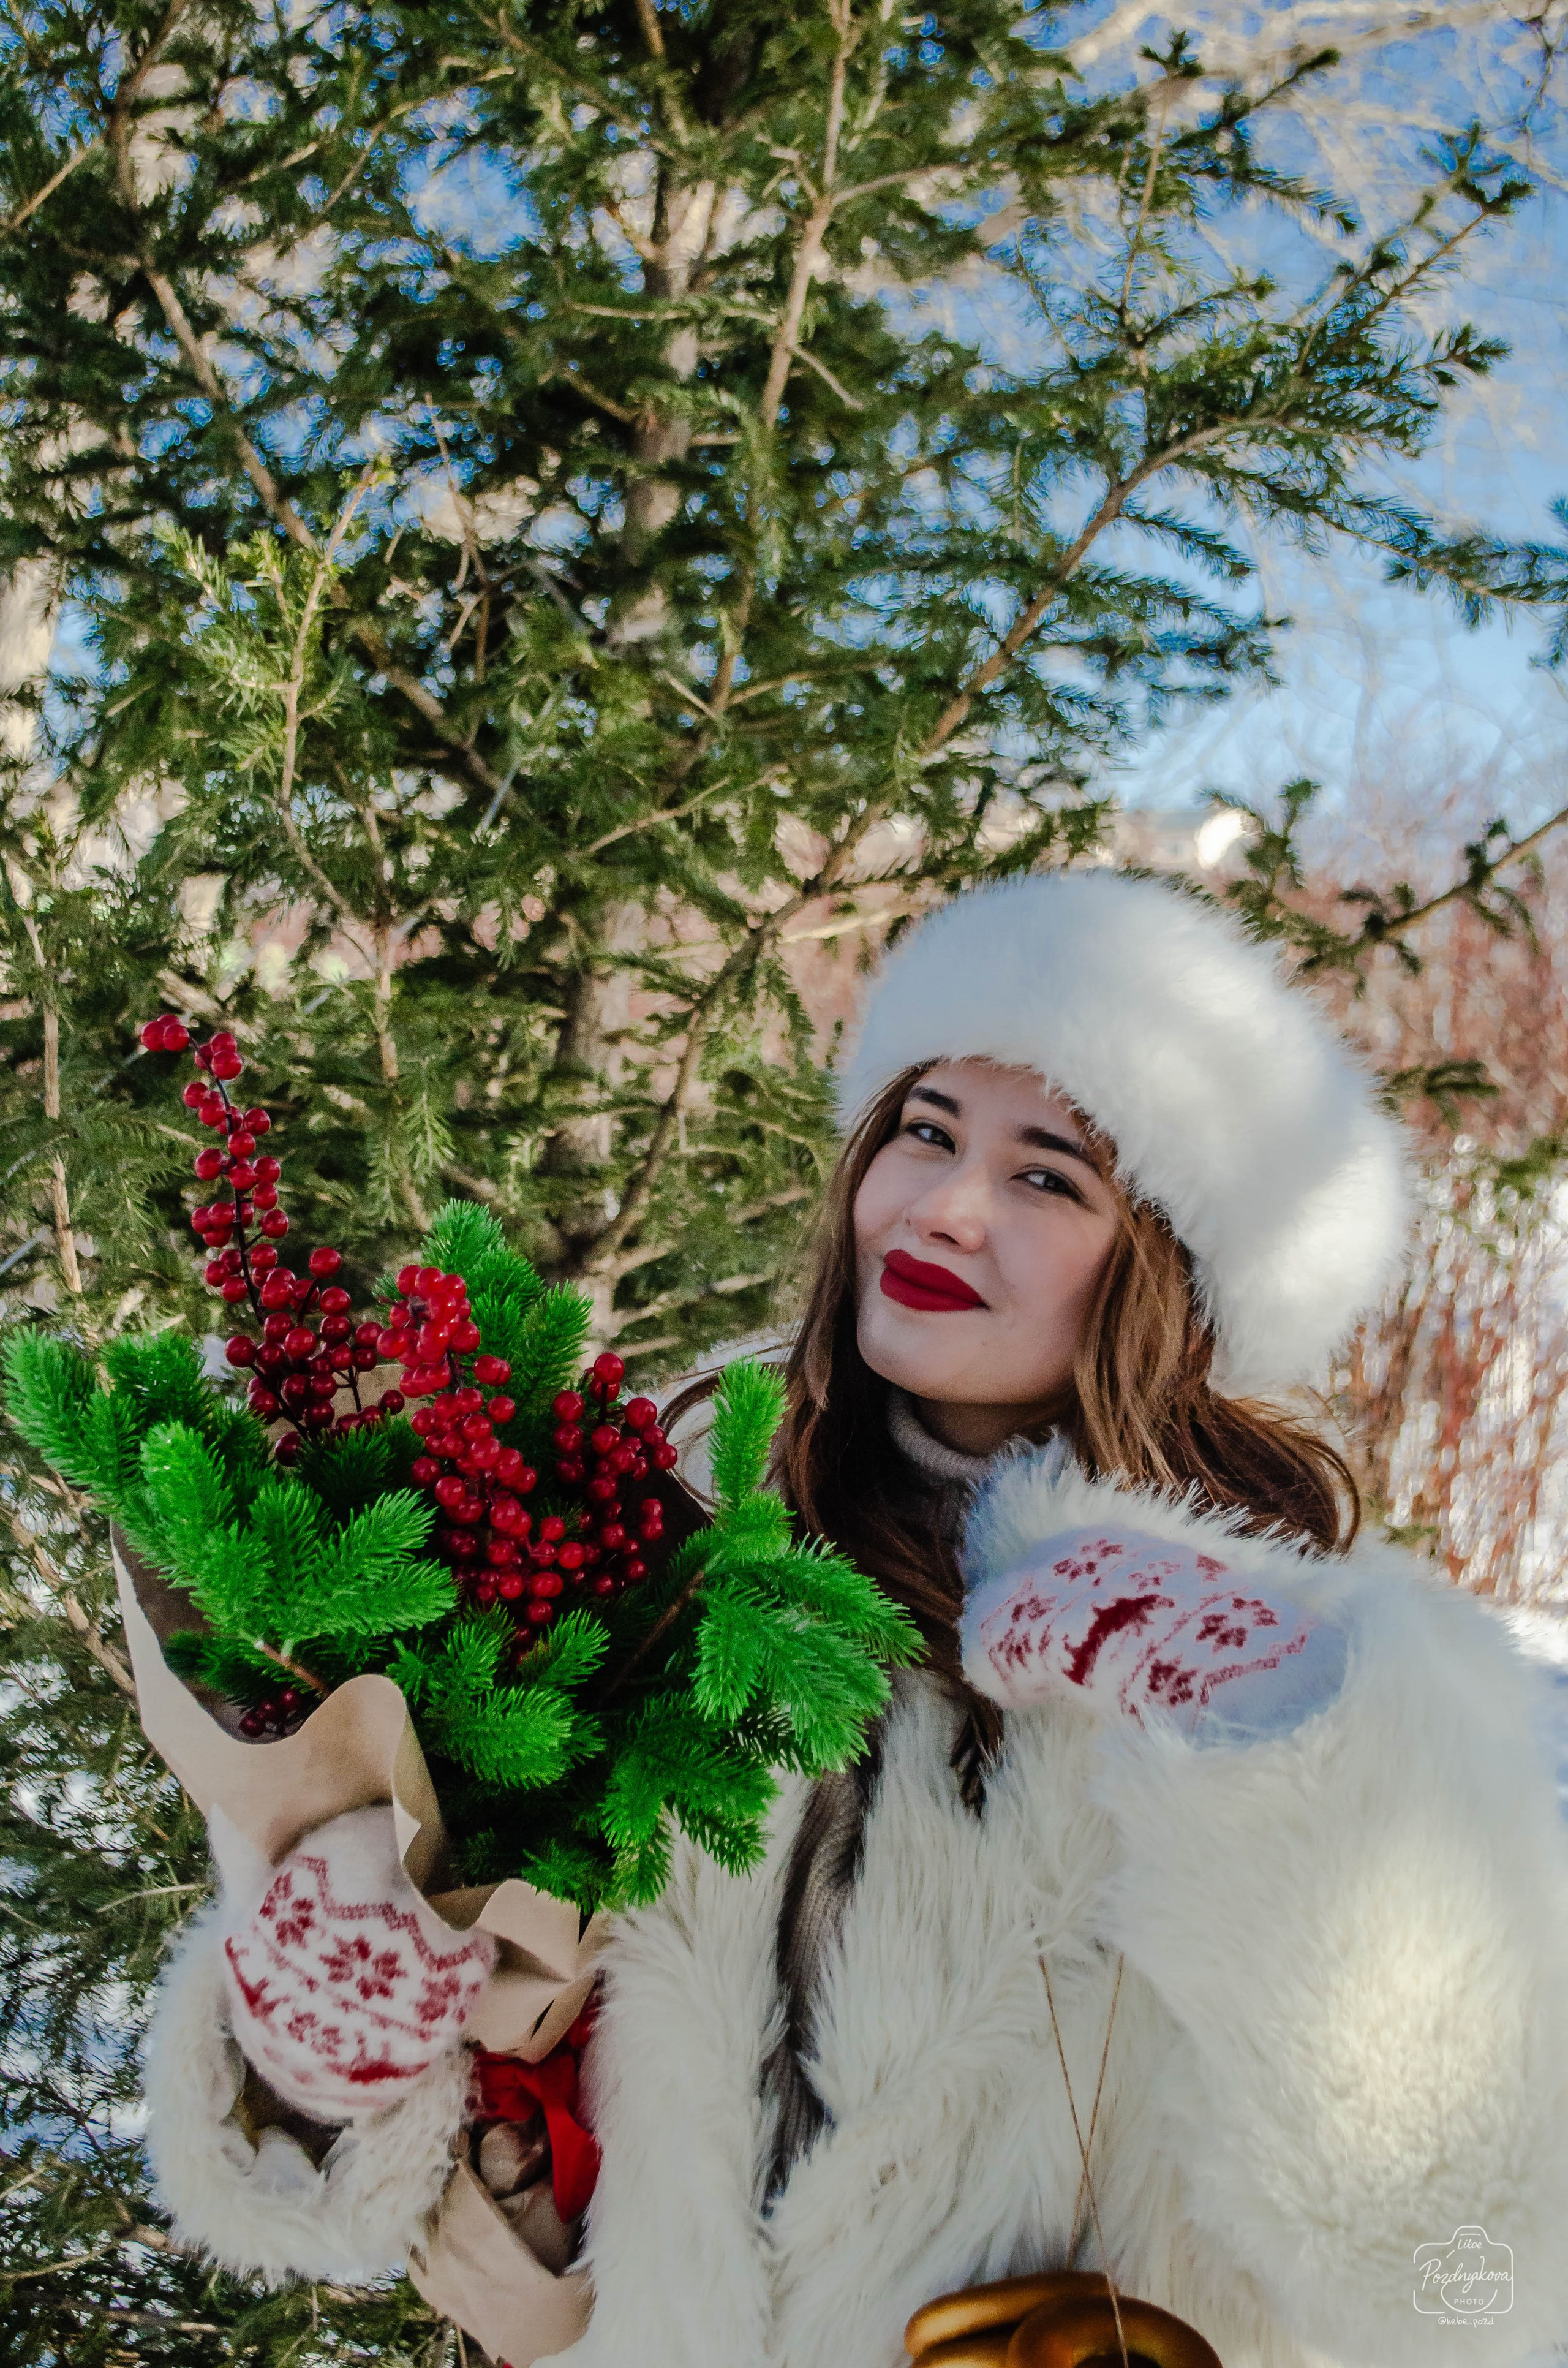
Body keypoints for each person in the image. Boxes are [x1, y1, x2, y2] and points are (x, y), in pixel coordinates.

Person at [143, 870, 1568, 2367]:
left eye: (1046, 1177)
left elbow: (1480, 2284)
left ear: (1170, 1275)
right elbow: (427, 2119)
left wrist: (1287, 1768)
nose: (945, 1204)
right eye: (925, 1131)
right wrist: (309, 2049)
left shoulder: (1311, 1668)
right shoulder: (655, 1539)